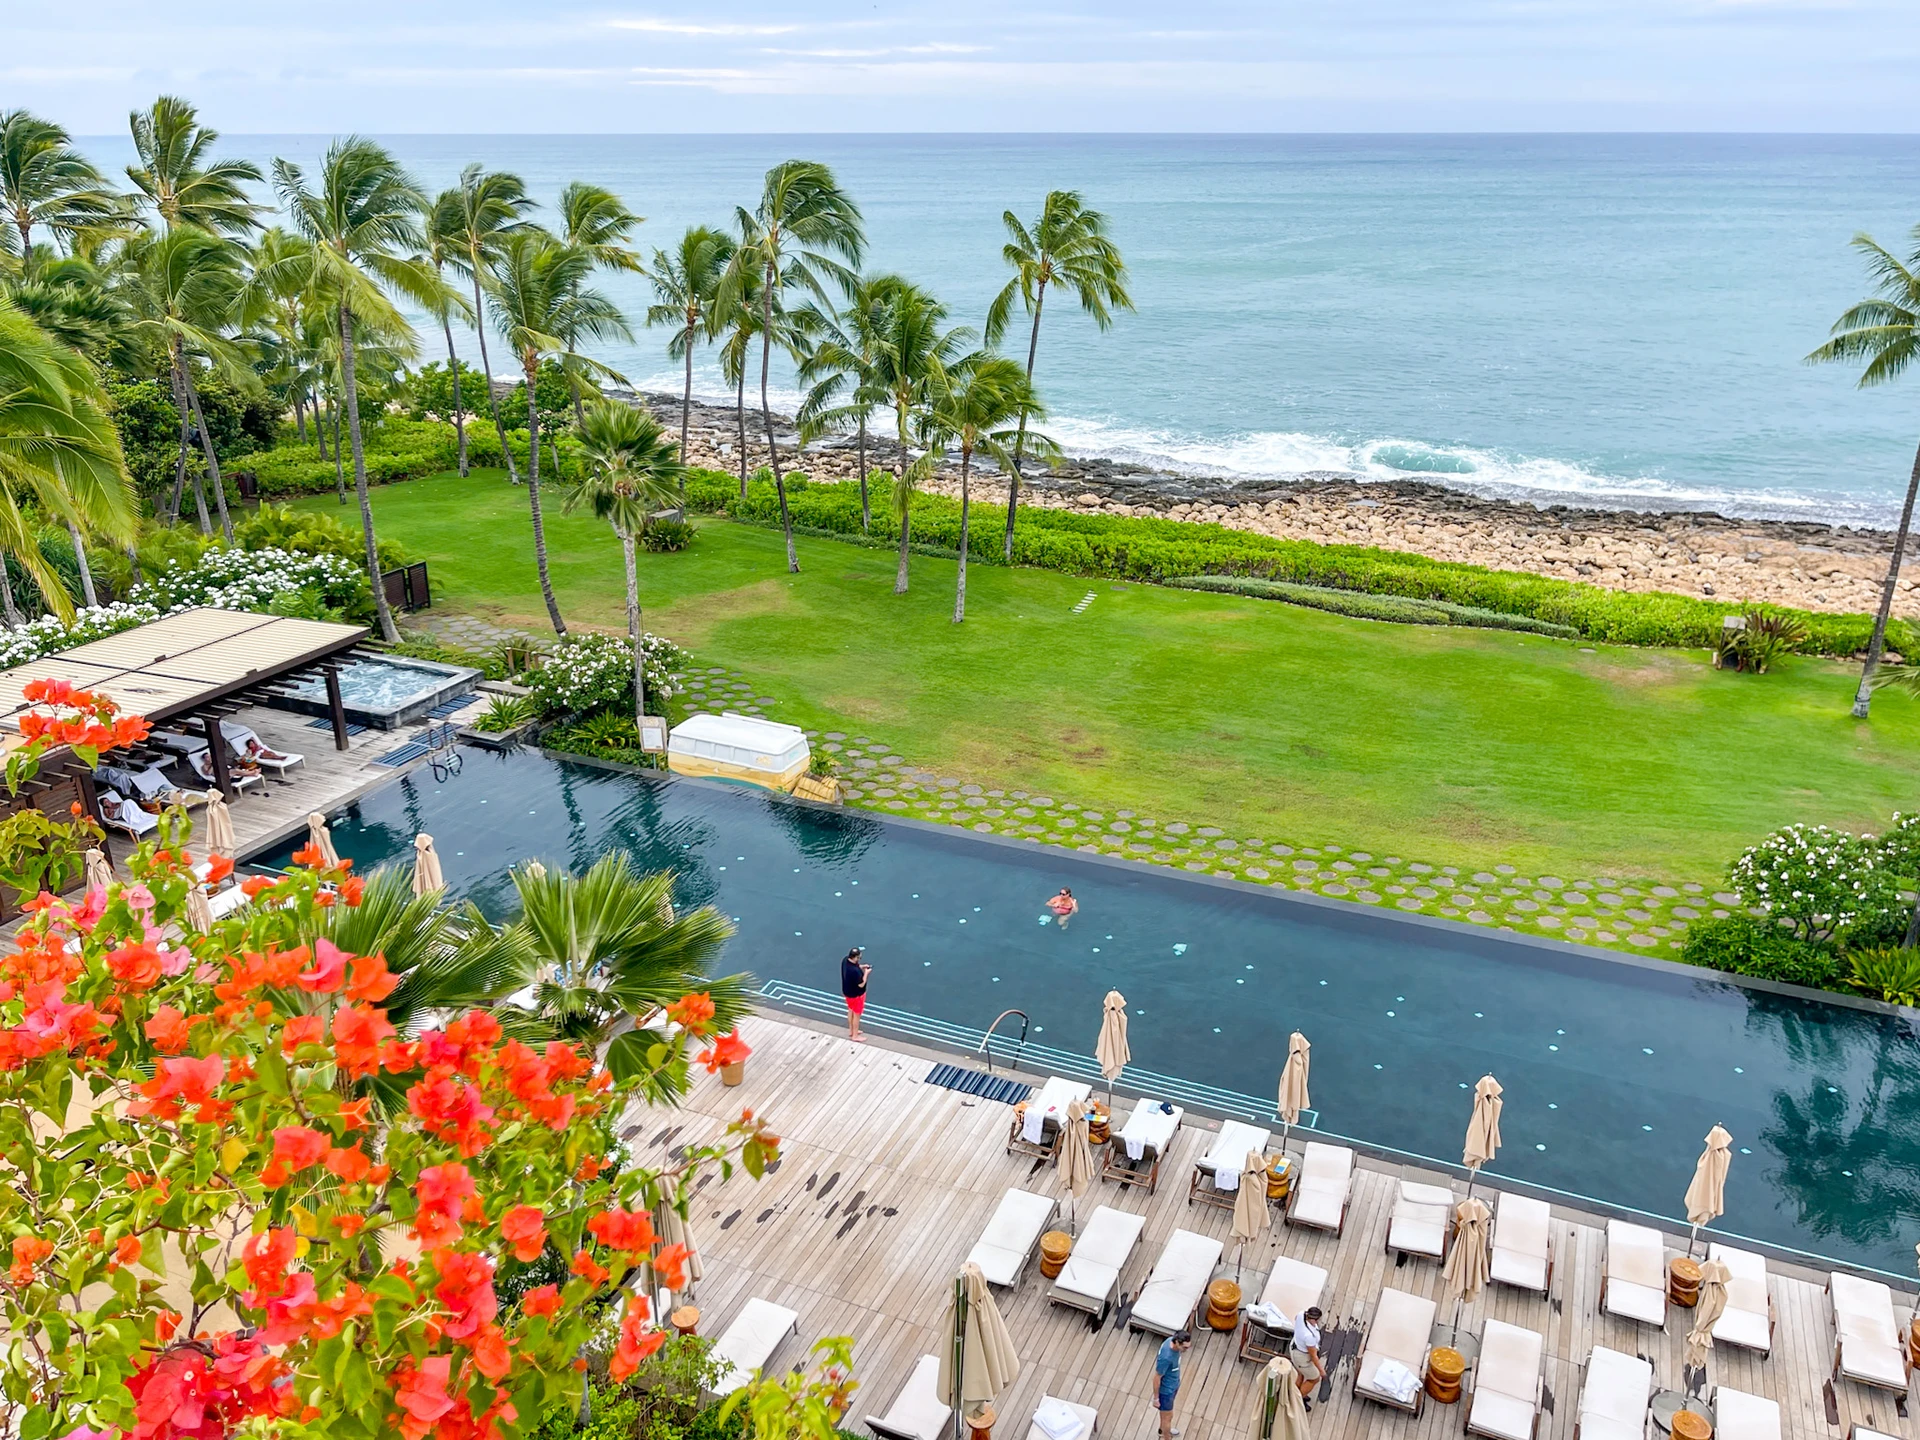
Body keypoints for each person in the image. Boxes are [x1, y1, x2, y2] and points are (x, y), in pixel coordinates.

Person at [1151, 1330, 1191, 1439]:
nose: (1186, 1350)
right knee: (1168, 1417)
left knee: (1165, 1415)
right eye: (1185, 1347)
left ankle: (1162, 1430)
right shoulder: (1166, 1358)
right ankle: (1166, 1437)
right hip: (1166, 1391)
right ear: (1177, 1342)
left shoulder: (1170, 1340)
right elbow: (1157, 1378)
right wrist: (1156, 1398)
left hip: (1173, 1384)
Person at [1290, 1306, 1325, 1411]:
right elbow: (1313, 1356)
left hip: (1294, 1347)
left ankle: (1296, 1393)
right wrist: (1321, 1371)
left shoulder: (1301, 1314)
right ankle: (1298, 1399)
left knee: (1300, 1373)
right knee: (1314, 1378)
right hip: (1301, 1357)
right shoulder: (1308, 1336)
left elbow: (1296, 1318)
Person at [839, 947, 871, 1042]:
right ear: (855, 958)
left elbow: (855, 966)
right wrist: (866, 973)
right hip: (857, 995)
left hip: (848, 992)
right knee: (857, 1015)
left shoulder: (845, 960)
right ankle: (855, 1036)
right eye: (859, 958)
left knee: (851, 1010)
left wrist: (862, 966)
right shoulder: (855, 972)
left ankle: (851, 1031)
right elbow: (861, 984)